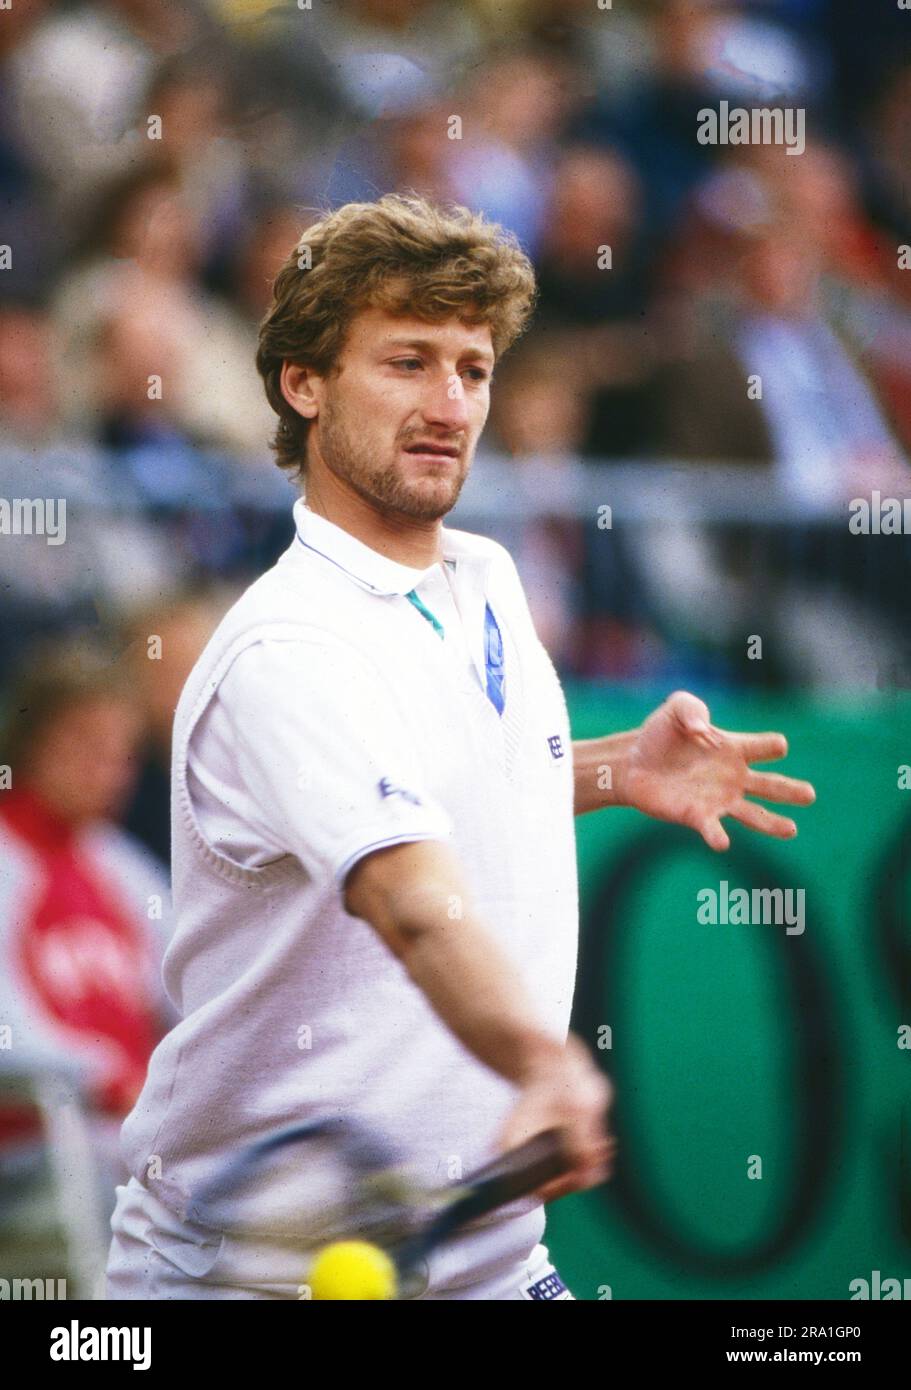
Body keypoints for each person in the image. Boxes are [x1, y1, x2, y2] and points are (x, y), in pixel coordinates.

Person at [105, 193, 815, 1301]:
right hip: (251, 1277)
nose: (448, 404)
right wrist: (540, 1061)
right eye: (406, 362)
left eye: (473, 370)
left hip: (487, 1260)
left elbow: (440, 785)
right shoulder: (287, 650)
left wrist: (607, 766)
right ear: (304, 383)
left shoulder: (481, 578)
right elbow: (405, 889)